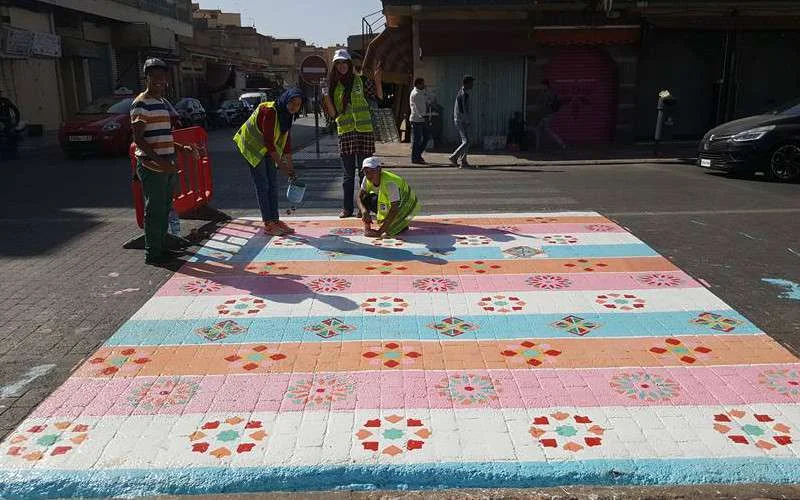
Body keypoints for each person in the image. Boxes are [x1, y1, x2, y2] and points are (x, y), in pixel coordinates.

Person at [130, 58, 197, 266]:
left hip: (167, 163)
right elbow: (139, 138)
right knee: (155, 211)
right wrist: (161, 162)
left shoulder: (161, 103)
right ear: (146, 78)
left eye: (161, 77)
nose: (158, 81)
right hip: (152, 166)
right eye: (153, 77)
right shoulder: (141, 103)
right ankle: (153, 253)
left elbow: (164, 135)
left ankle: (162, 246)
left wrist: (181, 148)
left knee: (165, 208)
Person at [233, 87, 304, 236]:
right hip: (252, 147)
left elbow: (286, 143)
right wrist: (284, 168)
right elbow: (269, 143)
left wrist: (291, 169)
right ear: (286, 99)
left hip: (266, 150)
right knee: (263, 185)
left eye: (298, 104)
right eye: (292, 102)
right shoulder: (270, 111)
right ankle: (268, 224)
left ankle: (275, 220)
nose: (294, 107)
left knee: (272, 184)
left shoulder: (287, 116)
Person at [322, 49, 383, 218]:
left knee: (365, 174)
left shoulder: (361, 80)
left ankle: (363, 208)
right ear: (335, 66)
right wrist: (326, 97)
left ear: (349, 64)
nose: (342, 66)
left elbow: (379, 97)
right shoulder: (332, 87)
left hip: (364, 132)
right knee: (348, 176)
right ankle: (347, 208)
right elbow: (333, 114)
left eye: (344, 63)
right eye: (338, 64)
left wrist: (378, 80)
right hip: (346, 133)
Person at [357, 157, 419, 238]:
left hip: (404, 206)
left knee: (391, 231)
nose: (369, 175)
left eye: (372, 171)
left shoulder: (390, 183)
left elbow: (394, 209)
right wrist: (364, 211)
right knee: (365, 198)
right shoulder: (366, 179)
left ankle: (402, 224)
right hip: (390, 203)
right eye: (366, 172)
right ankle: (368, 228)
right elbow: (359, 197)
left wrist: (380, 232)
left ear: (379, 170)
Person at [449, 75, 474, 168]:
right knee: (466, 141)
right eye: (471, 83)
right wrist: (466, 120)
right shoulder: (462, 95)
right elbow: (462, 110)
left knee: (468, 141)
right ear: (467, 83)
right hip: (461, 121)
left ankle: (464, 161)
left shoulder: (464, 93)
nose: (472, 85)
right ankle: (454, 157)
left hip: (463, 120)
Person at [534, 79, 566, 151]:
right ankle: (538, 147)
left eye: (542, 85)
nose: (541, 87)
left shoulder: (548, 94)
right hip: (546, 115)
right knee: (541, 129)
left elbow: (545, 104)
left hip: (547, 115)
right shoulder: (547, 93)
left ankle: (560, 143)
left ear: (545, 86)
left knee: (543, 129)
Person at [409, 77, 431, 164]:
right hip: (417, 119)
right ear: (418, 84)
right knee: (417, 140)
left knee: (426, 137)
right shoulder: (416, 94)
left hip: (422, 118)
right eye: (422, 84)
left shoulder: (421, 92)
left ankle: (418, 155)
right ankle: (415, 157)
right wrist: (424, 116)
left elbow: (427, 101)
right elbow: (418, 109)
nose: (424, 85)